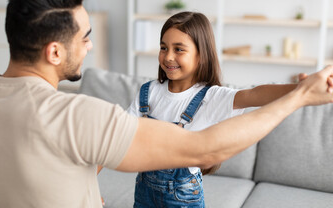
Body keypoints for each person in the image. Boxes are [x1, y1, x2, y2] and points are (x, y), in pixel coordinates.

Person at [0, 0, 332, 208]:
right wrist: (301, 97)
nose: (90, 45)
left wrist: (297, 87)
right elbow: (207, 147)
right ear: (54, 52)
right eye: (84, 37)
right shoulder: (86, 112)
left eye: (180, 49)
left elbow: (255, 94)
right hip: (147, 190)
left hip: (183, 194)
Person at [126, 11, 306, 207]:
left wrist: (302, 88)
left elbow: (255, 95)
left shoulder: (212, 97)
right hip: (144, 194)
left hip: (182, 199)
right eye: (163, 47)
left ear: (201, 56)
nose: (168, 56)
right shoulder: (148, 92)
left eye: (179, 49)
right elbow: (114, 136)